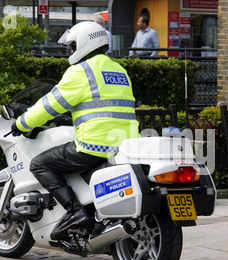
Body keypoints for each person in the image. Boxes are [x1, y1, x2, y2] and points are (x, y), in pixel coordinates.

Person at [11, 22, 139, 241]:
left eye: (72, 46)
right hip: (124, 145)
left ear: (85, 43)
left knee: (39, 164)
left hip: (93, 146)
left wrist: (21, 123)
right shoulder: (119, 70)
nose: (71, 52)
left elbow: (50, 105)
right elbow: (104, 106)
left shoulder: (82, 71)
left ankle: (75, 212)